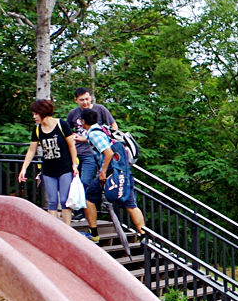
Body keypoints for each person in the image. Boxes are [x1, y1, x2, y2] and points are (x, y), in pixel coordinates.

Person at [80, 108, 146, 236]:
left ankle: (94, 234)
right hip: (122, 169)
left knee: (88, 198)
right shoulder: (102, 129)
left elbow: (108, 153)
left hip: (111, 171)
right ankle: (144, 237)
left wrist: (102, 172)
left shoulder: (94, 134)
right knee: (130, 204)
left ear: (83, 121)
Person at [17, 99, 79, 226]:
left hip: (65, 167)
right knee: (52, 201)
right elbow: (31, 150)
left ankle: (67, 230)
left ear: (43, 112)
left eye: (36, 114)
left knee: (64, 200)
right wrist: (23, 169)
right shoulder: (38, 130)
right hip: (48, 169)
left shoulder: (61, 124)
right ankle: (55, 229)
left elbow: (71, 146)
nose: (34, 117)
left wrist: (74, 164)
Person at [66, 88, 116, 234]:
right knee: (72, 181)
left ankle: (82, 211)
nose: (85, 102)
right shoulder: (73, 114)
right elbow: (68, 131)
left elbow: (113, 126)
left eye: (87, 99)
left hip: (91, 153)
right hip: (76, 152)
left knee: (85, 181)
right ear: (76, 100)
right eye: (82, 100)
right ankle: (79, 210)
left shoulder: (100, 110)